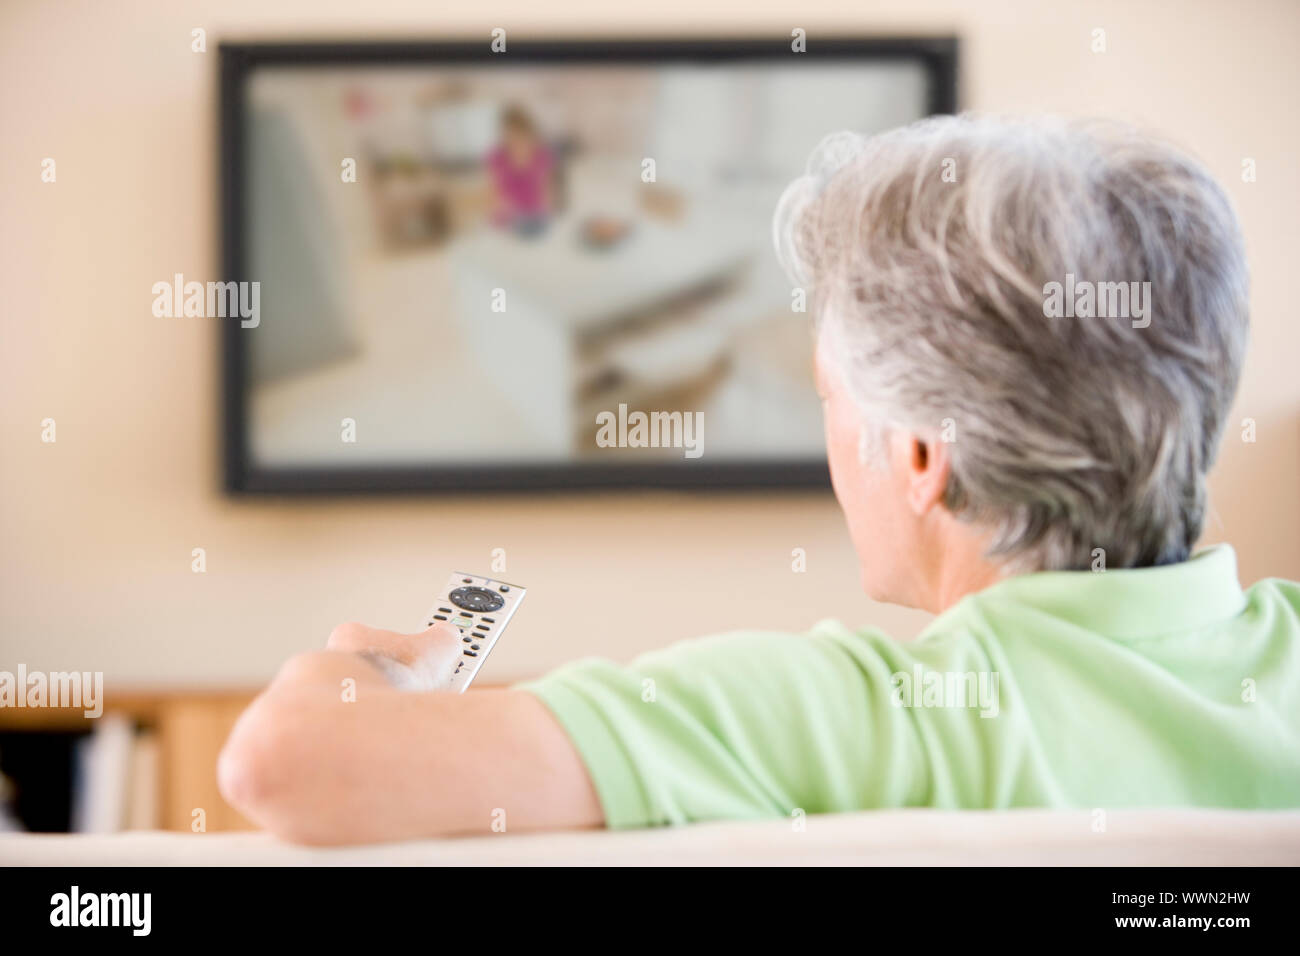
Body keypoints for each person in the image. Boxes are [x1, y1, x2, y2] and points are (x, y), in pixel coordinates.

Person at [218, 115, 1300, 844]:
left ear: (923, 460)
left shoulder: (841, 720)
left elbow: (285, 763)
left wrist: (376, 663)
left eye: (832, 398)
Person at [485, 104, 554, 235]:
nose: (515, 138)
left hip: (536, 216)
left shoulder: (542, 154)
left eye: (519, 132)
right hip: (506, 218)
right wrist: (499, 207)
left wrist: (547, 212)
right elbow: (492, 189)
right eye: (509, 133)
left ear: (529, 131)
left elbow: (547, 187)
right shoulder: (496, 156)